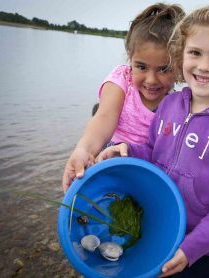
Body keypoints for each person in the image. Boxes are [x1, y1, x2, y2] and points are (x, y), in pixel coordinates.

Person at [96, 5, 209, 277]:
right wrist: (127, 151)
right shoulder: (170, 105)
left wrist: (193, 247)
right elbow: (154, 152)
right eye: (195, 53)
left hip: (199, 251)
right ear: (181, 55)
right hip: (155, 229)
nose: (204, 66)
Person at [61, 3, 185, 193]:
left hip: (146, 167)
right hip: (109, 157)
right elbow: (104, 117)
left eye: (164, 69)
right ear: (130, 59)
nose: (151, 80)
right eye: (141, 67)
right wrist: (84, 149)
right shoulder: (122, 81)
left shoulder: (178, 103)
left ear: (178, 67)